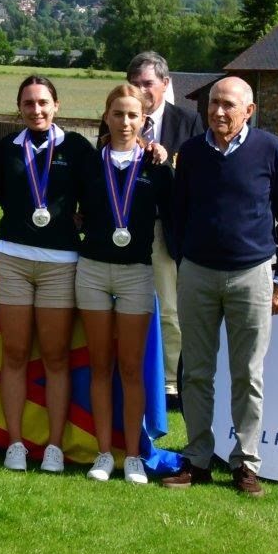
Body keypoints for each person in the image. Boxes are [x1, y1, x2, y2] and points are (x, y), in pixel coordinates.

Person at [163, 76, 278, 497]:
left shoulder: (270, 149)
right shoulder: (193, 153)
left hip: (252, 274)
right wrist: (184, 256)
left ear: (249, 111)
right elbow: (177, 211)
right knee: (197, 373)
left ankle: (245, 464)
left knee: (248, 374)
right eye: (214, 103)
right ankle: (198, 458)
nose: (219, 112)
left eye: (229, 105)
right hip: (198, 274)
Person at [0, 76, 93, 473]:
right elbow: (0, 192)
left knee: (55, 358)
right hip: (13, 258)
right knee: (14, 355)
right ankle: (15, 443)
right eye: (29, 103)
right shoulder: (6, 150)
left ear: (57, 104)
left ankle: (53, 446)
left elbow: (94, 192)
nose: (36, 110)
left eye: (43, 102)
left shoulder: (77, 148)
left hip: (60, 263)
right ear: (19, 107)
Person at [77, 84, 170, 485]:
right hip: (93, 270)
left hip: (136, 272)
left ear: (144, 120)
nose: (125, 122)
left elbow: (176, 210)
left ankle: (132, 455)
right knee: (100, 366)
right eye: (118, 114)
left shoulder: (154, 165)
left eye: (133, 115)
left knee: (131, 368)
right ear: (106, 116)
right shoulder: (87, 162)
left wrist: (166, 160)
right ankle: (102, 453)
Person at [105, 52, 201, 407]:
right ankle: (126, 371)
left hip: (166, 230)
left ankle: (171, 383)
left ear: (165, 83)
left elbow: (195, 180)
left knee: (168, 308)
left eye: (149, 83)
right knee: (124, 304)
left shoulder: (188, 122)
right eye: (137, 83)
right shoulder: (119, 116)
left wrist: (164, 163)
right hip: (124, 226)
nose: (142, 91)